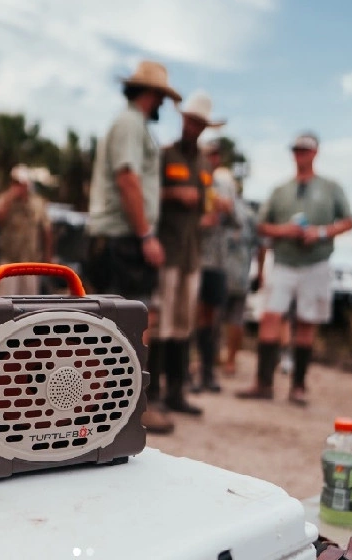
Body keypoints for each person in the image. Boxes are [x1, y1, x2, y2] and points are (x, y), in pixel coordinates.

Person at [87, 60, 182, 434]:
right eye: (161, 97)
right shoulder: (130, 124)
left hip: (114, 238)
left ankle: (112, 407)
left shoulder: (131, 124)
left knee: (114, 326)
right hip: (121, 239)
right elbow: (127, 178)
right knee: (130, 326)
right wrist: (146, 235)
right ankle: (127, 410)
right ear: (152, 95)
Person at [237, 132, 352, 405]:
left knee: (306, 322)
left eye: (305, 150)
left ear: (315, 153)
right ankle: (263, 382)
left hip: (316, 263)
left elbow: (348, 221)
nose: (301, 154)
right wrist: (285, 230)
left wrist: (321, 232)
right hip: (285, 262)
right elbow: (263, 226)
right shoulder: (280, 190)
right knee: (270, 317)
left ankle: (298, 386)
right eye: (297, 150)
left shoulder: (331, 187)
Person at [148, 91, 226, 417]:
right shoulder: (165, 156)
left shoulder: (206, 166)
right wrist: (172, 193)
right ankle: (151, 395)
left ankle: (176, 393)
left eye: (200, 123)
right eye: (190, 120)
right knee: (160, 323)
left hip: (193, 255)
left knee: (183, 325)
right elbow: (149, 194)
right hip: (167, 251)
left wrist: (210, 216)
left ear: (205, 127)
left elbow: (208, 206)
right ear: (183, 120)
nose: (194, 126)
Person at [192, 139, 238, 393]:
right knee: (191, 315)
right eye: (209, 154)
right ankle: (187, 372)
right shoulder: (193, 179)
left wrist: (226, 208)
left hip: (217, 261)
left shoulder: (224, 182)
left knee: (210, 315)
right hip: (193, 259)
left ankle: (206, 372)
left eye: (216, 155)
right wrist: (201, 220)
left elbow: (236, 218)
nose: (213, 159)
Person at [0, 164, 53, 295]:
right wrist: (9, 198)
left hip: (30, 260)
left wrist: (48, 256)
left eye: (20, 183)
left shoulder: (37, 203)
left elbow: (46, 230)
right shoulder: (4, 199)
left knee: (29, 299)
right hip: (10, 259)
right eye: (15, 182)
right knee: (6, 298)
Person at [221, 189, 260, 376]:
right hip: (239, 275)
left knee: (215, 318)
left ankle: (220, 360)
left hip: (224, 273)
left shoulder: (219, 208)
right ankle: (230, 361)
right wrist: (260, 273)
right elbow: (260, 245)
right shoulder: (251, 214)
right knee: (236, 319)